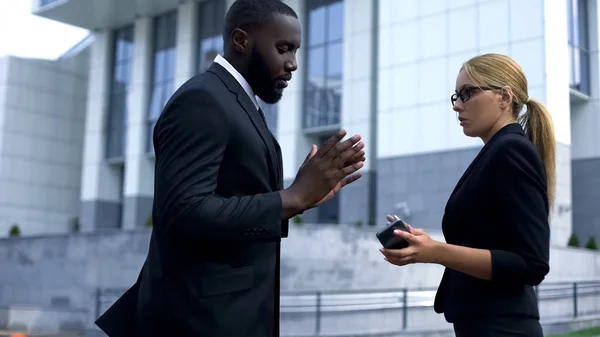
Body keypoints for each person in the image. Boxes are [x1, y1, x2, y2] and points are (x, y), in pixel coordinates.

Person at [95, 1, 366, 336]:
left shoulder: (237, 101)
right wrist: (290, 199)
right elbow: (183, 213)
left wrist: (302, 197)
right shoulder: (203, 99)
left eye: (295, 51)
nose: (293, 64)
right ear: (241, 40)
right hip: (199, 321)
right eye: (283, 49)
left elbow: (231, 200)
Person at [380, 53, 554, 337]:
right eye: (456, 96)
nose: (457, 106)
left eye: (467, 93)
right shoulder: (497, 151)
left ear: (504, 97)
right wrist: (423, 243)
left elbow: (531, 263)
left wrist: (435, 251)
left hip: (503, 328)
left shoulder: (511, 151)